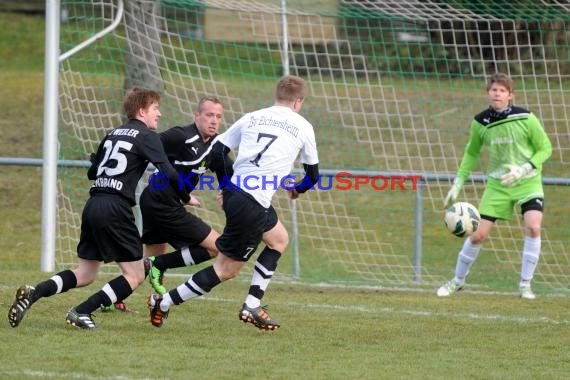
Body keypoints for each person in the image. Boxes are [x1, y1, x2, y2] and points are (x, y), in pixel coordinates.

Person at [8, 87, 191, 329]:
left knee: (86, 273)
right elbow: (166, 170)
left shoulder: (112, 133)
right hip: (115, 207)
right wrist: (185, 196)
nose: (159, 114)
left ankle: (35, 292)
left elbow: (92, 172)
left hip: (94, 204)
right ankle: (82, 311)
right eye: (155, 108)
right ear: (141, 111)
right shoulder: (147, 136)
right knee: (136, 274)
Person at [147, 74, 320, 330]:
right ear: (299, 102)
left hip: (242, 197)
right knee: (225, 270)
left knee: (279, 239)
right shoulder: (303, 126)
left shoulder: (253, 116)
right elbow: (313, 175)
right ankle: (163, 302)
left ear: (278, 96)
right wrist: (297, 189)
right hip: (252, 203)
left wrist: (228, 188)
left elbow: (217, 150)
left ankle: (252, 304)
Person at [437, 73, 552, 300]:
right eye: (493, 90)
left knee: (533, 227)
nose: (497, 93)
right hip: (498, 185)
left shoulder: (526, 118)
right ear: (487, 94)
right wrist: (458, 181)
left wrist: (525, 168)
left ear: (510, 95)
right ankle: (457, 281)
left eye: (502, 90)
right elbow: (471, 153)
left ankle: (525, 285)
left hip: (527, 181)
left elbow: (545, 148)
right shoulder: (480, 122)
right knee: (477, 235)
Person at [139, 96, 229, 295]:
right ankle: (159, 264)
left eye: (218, 116)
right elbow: (147, 143)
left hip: (159, 202)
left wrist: (226, 191)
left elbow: (226, 170)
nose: (214, 121)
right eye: (209, 115)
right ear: (196, 116)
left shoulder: (216, 146)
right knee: (217, 246)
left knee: (144, 266)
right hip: (162, 202)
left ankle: (111, 299)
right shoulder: (181, 136)